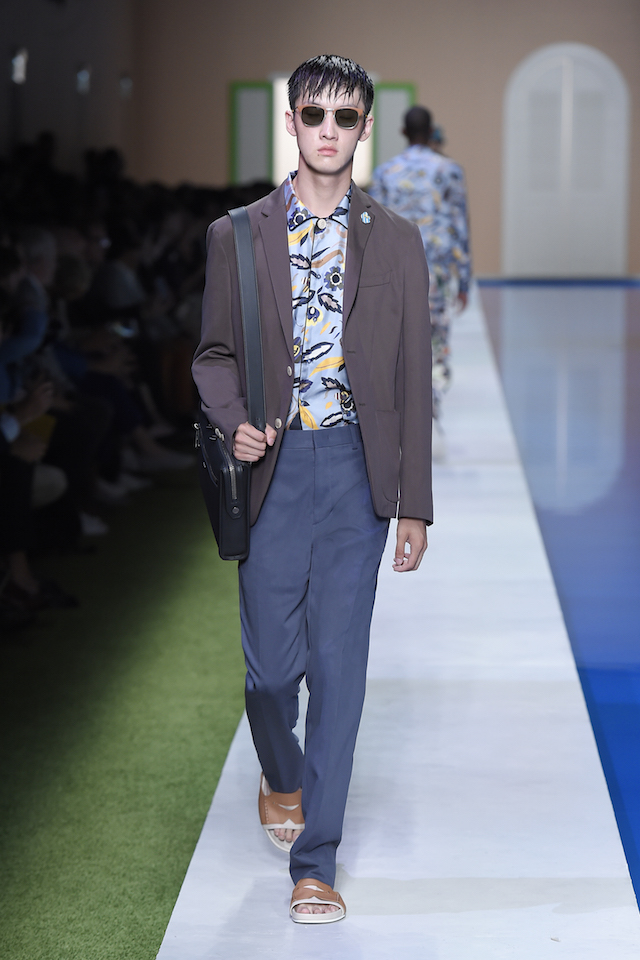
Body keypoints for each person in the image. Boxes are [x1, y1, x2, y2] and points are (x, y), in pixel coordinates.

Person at [192, 54, 433, 924]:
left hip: (357, 471)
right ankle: (280, 773)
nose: (329, 129)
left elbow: (410, 377)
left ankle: (315, 863)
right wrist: (234, 423)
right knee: (270, 674)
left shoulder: (397, 239)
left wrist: (413, 503)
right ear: (291, 121)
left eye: (345, 116)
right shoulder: (236, 235)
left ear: (364, 127)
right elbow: (213, 355)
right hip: (273, 469)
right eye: (315, 114)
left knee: (337, 669)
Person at [369, 106, 471, 427]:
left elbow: (373, 228)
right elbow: (460, 226)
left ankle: (403, 411)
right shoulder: (450, 170)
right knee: (435, 340)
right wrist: (463, 280)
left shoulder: (385, 172)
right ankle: (431, 411)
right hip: (436, 271)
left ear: (403, 132)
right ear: (431, 132)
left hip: (395, 271)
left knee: (397, 340)